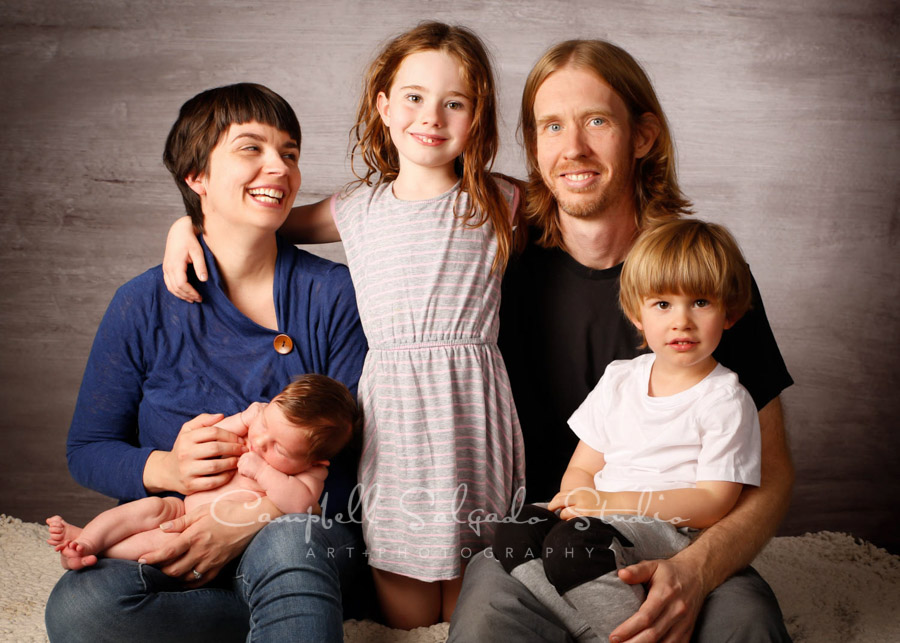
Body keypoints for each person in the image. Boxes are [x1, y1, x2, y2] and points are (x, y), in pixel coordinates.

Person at [161, 22, 525, 629]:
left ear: (476, 114)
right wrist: (185, 227)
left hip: (470, 403)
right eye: (413, 97)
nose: (431, 116)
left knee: (473, 586)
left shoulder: (502, 200)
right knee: (402, 590)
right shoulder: (355, 208)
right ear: (384, 106)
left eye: (454, 102)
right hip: (394, 414)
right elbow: (256, 220)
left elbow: (594, 211)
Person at [450, 39, 793, 643]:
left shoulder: (699, 278)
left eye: (597, 121)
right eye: (551, 126)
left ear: (642, 137)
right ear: (533, 144)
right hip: (555, 534)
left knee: (745, 626)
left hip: (675, 542)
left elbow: (774, 477)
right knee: (482, 624)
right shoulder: (494, 265)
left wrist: (695, 570)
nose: (572, 148)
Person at [44, 83, 368, 643]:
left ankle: (290, 600)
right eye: (252, 148)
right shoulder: (142, 303)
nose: (281, 167)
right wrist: (168, 470)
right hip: (175, 533)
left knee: (291, 542)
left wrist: (254, 517)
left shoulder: (334, 294)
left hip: (296, 535)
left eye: (289, 153)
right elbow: (88, 449)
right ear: (197, 177)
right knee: (82, 610)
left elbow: (360, 462)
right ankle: (289, 617)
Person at [493, 218, 763, 641]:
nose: (682, 322)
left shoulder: (724, 399)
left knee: (575, 548)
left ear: (728, 312)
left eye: (700, 303)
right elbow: (583, 465)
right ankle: (594, 628)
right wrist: (575, 499)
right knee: (516, 530)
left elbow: (713, 502)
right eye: (662, 305)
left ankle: (636, 632)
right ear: (637, 314)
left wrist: (608, 502)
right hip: (604, 515)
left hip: (672, 529)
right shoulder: (621, 378)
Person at [47, 374, 359, 570]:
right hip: (180, 506)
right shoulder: (254, 426)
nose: (260, 440)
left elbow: (301, 506)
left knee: (156, 543)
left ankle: (99, 552)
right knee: (144, 509)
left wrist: (263, 471)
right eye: (265, 422)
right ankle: (88, 537)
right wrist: (243, 419)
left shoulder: (308, 476)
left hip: (211, 537)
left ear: (316, 463)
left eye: (278, 448)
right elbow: (216, 434)